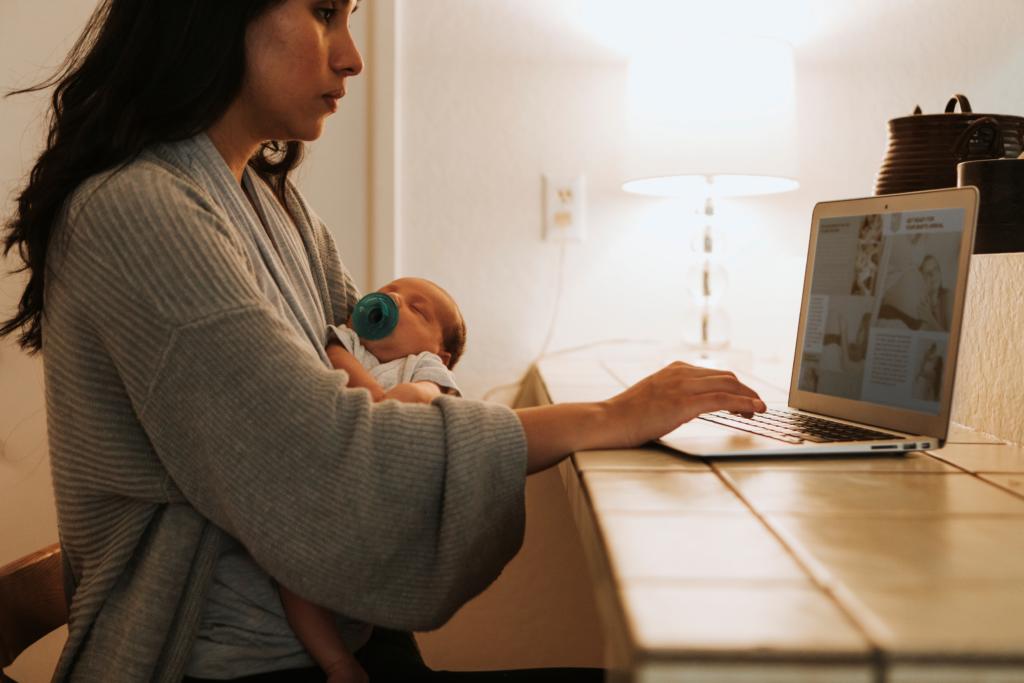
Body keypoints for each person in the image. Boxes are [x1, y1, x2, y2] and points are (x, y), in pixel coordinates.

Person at [1, 1, 765, 680]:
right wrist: (606, 417)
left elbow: (387, 382)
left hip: (330, 644)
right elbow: (337, 462)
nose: (352, 56)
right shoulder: (138, 212)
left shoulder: (277, 209)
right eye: (326, 11)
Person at [282, 276, 465, 683]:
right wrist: (382, 404)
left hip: (384, 499)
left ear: (441, 351)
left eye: (418, 309)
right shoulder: (343, 342)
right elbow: (344, 376)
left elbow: (426, 397)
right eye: (390, 290)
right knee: (290, 570)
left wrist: (401, 400)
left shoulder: (424, 365)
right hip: (328, 487)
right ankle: (336, 663)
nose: (396, 299)